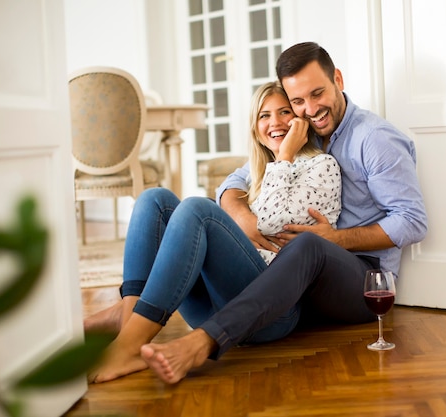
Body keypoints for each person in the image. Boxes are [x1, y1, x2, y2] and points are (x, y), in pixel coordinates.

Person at [140, 42, 428, 385]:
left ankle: (205, 341)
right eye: (298, 102)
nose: (311, 109)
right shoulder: (301, 131)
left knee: (307, 246)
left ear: (338, 78)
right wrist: (242, 217)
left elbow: (412, 221)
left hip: (362, 279)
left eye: (318, 93)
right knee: (159, 202)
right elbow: (234, 182)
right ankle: (132, 316)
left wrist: (336, 239)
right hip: (300, 282)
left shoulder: (373, 138)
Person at [86, 81, 342, 383]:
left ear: (300, 120)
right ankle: (130, 326)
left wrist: (285, 154)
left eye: (285, 112)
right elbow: (233, 197)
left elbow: (271, 223)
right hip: (214, 308)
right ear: (254, 125)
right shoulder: (260, 171)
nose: (275, 122)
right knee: (153, 199)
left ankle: (128, 344)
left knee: (198, 209)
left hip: (271, 313)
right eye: (264, 115)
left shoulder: (322, 166)